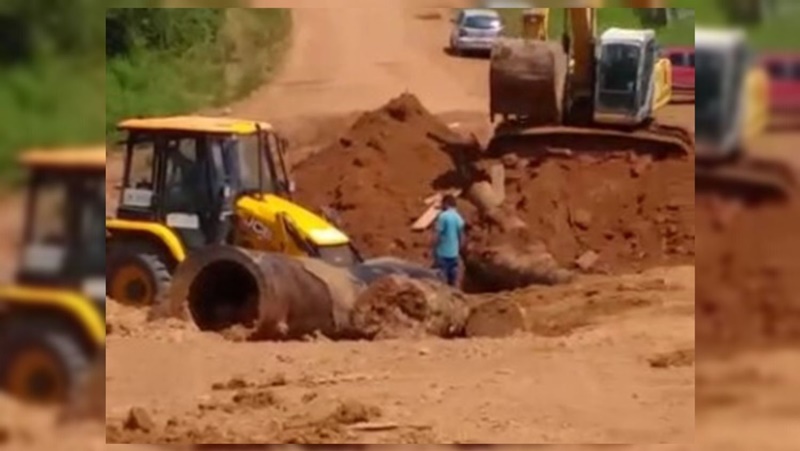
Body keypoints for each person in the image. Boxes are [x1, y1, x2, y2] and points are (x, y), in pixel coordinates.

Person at [433, 194, 465, 287]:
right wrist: (459, 249)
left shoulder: (443, 216)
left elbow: (437, 234)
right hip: (454, 253)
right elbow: (461, 236)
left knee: (441, 278)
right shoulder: (458, 217)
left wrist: (433, 247)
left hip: (442, 252)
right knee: (453, 278)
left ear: (446, 204)